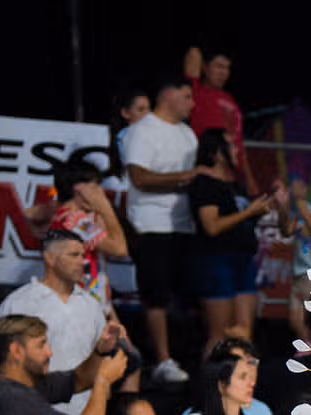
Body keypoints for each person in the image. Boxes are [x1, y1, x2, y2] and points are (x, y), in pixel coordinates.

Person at [124, 76, 201, 384]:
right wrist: (186, 177)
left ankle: (187, 357)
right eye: (187, 96)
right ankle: (162, 359)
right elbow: (140, 177)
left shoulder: (188, 134)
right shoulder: (141, 130)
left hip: (185, 224)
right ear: (168, 95)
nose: (192, 104)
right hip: (151, 224)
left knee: (185, 297)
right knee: (155, 295)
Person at [0, 230, 111, 415]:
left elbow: (102, 359)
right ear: (49, 258)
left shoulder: (91, 306)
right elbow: (4, 364)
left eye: (83, 255)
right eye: (74, 255)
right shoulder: (19, 303)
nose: (82, 262)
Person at [188, 129, 276, 351]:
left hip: (243, 259)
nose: (237, 150)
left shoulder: (234, 184)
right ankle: (209, 383)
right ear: (218, 152)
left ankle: (245, 377)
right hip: (217, 261)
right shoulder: (204, 182)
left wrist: (261, 210)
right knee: (219, 333)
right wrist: (248, 213)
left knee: (244, 329)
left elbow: (241, 218)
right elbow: (212, 226)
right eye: (231, 146)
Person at [44, 160, 128, 313]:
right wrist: (105, 207)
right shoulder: (77, 221)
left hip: (86, 301)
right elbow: (120, 249)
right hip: (81, 305)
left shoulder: (63, 216)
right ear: (79, 189)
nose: (100, 192)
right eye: (95, 186)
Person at [182, 45, 246, 190]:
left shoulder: (230, 99)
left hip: (232, 174)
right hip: (207, 170)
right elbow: (193, 53)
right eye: (218, 66)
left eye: (227, 68)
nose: (223, 72)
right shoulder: (195, 92)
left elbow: (239, 140)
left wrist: (248, 178)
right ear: (205, 68)